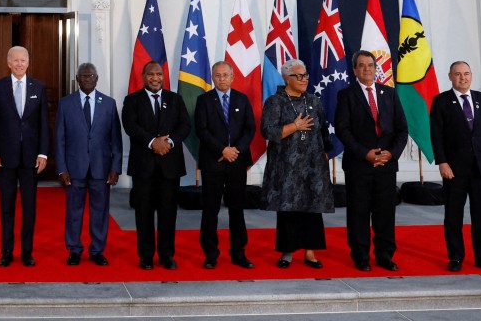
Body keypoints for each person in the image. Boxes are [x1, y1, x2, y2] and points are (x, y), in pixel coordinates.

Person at [335, 50, 408, 272]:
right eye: (362, 65)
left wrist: (391, 153)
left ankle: (385, 255)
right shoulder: (346, 95)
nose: (367, 69)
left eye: (370, 65)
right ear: (355, 70)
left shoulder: (390, 94)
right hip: (359, 164)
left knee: (385, 213)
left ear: (377, 69)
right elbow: (343, 130)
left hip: (386, 165)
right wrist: (365, 153)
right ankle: (361, 256)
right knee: (358, 212)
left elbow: (402, 129)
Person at [430, 60, 481, 273]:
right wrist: (442, 162)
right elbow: (437, 136)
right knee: (453, 215)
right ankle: (455, 257)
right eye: (457, 74)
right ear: (450, 76)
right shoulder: (441, 101)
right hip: (454, 170)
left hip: (480, 168)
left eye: (466, 73)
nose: (462, 78)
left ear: (471, 76)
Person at [260, 59, 334, 269]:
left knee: (312, 208)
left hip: (313, 165)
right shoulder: (276, 102)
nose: (304, 80)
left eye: (305, 76)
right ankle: (287, 252)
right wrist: (295, 126)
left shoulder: (314, 101)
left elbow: (323, 129)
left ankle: (310, 253)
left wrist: (326, 151)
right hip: (287, 167)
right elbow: (268, 131)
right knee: (288, 210)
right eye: (298, 76)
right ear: (286, 78)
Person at [122, 60, 192, 271]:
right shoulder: (132, 100)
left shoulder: (175, 99)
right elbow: (130, 126)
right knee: (143, 213)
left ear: (163, 76)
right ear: (144, 77)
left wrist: (169, 143)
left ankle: (167, 255)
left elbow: (185, 125)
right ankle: (146, 256)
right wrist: (153, 143)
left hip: (169, 166)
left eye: (159, 74)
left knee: (168, 213)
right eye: (151, 74)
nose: (155, 78)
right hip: (143, 166)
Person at [0, 45, 49, 267]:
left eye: (23, 60)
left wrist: (43, 153)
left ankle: (27, 252)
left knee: (29, 208)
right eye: (16, 60)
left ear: (28, 63)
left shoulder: (39, 87)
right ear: (8, 63)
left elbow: (44, 124)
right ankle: (6, 252)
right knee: (7, 207)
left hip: (31, 159)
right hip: (5, 158)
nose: (20, 64)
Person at [55, 63, 122, 266]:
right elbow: (60, 138)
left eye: (90, 75)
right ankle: (74, 249)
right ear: (77, 79)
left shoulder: (109, 104)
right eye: (83, 76)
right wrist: (61, 168)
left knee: (100, 211)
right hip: (74, 168)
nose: (87, 79)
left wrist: (115, 167)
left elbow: (116, 140)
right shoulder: (66, 104)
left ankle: (97, 250)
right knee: (74, 211)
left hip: (101, 168)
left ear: (97, 78)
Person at [193, 60, 256, 269]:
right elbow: (201, 130)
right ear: (213, 78)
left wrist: (235, 150)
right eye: (217, 75)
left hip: (237, 162)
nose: (221, 79)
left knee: (236, 209)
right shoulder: (204, 100)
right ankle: (210, 254)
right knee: (210, 209)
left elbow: (250, 129)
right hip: (213, 162)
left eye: (225, 75)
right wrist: (222, 150)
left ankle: (238, 253)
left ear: (232, 77)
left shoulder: (242, 99)